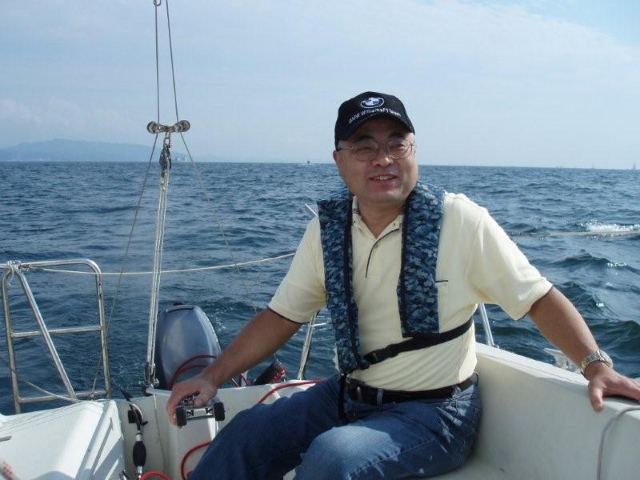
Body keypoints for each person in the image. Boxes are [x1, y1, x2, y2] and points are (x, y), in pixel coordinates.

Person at [167, 91, 640, 479]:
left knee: (332, 459)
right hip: (346, 395)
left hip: (436, 413)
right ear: (339, 161)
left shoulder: (462, 221)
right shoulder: (327, 231)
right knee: (245, 435)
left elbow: (537, 298)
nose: (384, 159)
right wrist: (212, 376)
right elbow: (282, 317)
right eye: (365, 147)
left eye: (398, 144)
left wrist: (595, 365)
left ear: (415, 151)